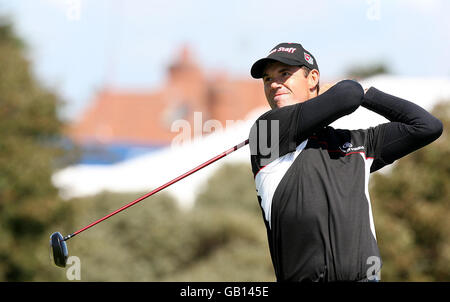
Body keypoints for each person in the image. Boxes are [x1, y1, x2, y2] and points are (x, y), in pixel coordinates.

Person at [248, 42, 443, 282]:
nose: (274, 83)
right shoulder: (266, 132)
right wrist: (351, 91)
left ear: (313, 78)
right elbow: (347, 95)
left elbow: (426, 127)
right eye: (267, 79)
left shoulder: (358, 144)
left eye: (284, 74)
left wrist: (368, 92)